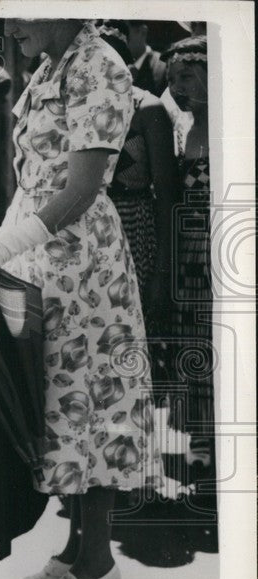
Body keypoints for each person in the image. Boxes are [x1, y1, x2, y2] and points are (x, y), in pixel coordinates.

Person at [0, 20, 160, 579]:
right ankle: (74, 550)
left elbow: (83, 187)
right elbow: (34, 178)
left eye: (20, 11)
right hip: (45, 257)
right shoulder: (51, 64)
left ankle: (98, 564)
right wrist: (2, 239)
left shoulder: (99, 65)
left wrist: (7, 245)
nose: (11, 25)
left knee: (91, 407)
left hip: (84, 264)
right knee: (61, 408)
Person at [99, 23, 178, 395]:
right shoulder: (85, 109)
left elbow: (167, 194)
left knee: (132, 340)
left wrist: (163, 271)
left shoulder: (148, 109)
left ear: (127, 65)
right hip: (94, 234)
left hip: (135, 230)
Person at [161, 35, 214, 474]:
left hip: (220, 247)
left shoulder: (231, 126)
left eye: (187, 77)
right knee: (193, 338)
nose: (179, 88)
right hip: (186, 248)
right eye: (174, 79)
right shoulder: (180, 126)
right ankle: (200, 433)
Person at [126, 21, 168, 97]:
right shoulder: (112, 63)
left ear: (143, 32)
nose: (118, 37)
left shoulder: (163, 67)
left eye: (124, 32)